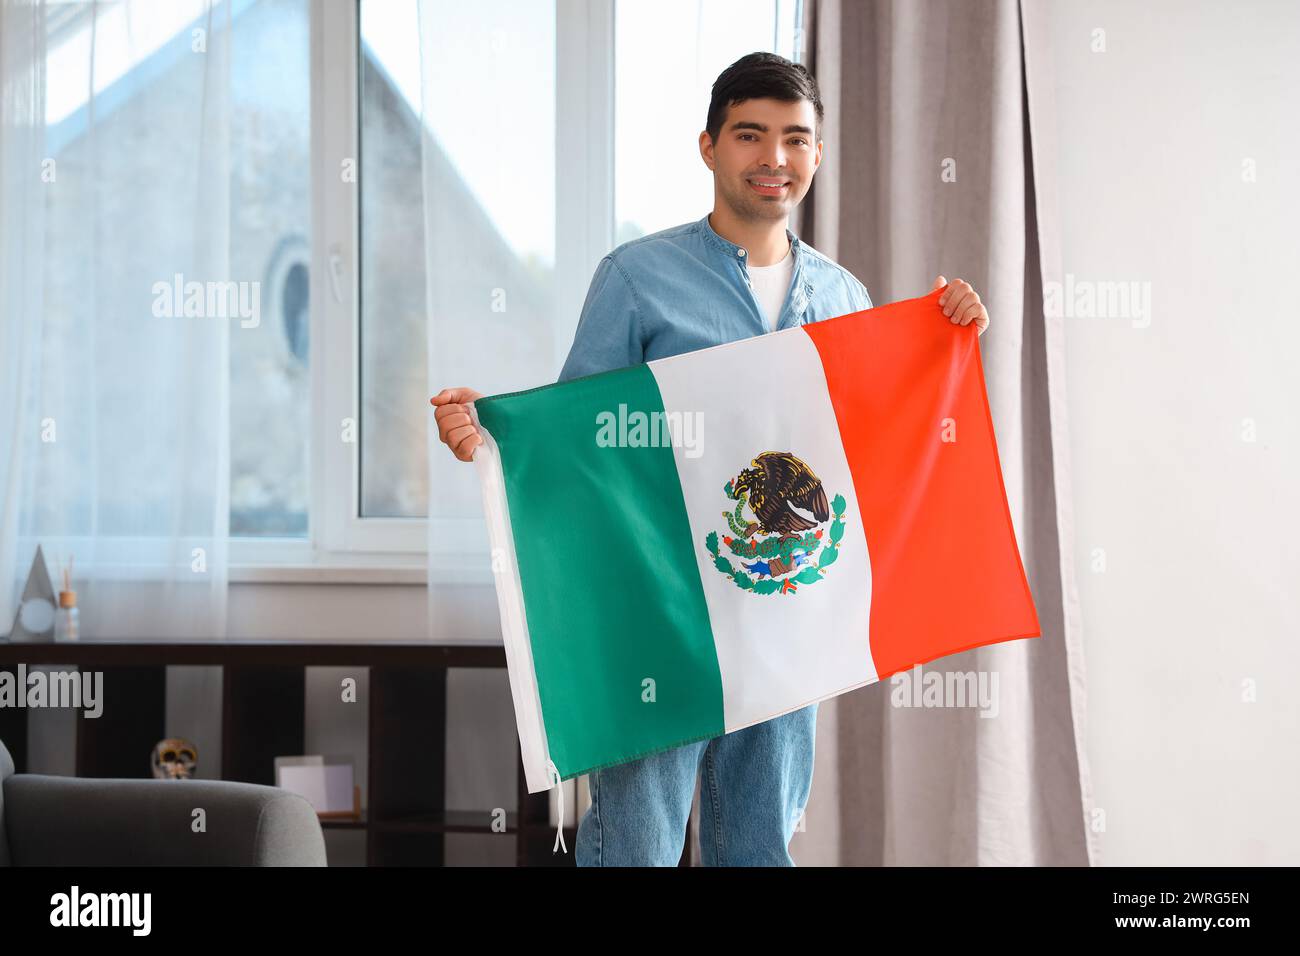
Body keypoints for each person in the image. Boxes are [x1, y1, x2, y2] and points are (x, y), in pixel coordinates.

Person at [432, 51, 990, 867]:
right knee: (638, 843)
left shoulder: (844, 299)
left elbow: (877, 448)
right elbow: (577, 436)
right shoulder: (637, 279)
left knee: (759, 844)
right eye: (750, 135)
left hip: (786, 618)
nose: (775, 159)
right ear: (709, 147)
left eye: (796, 139)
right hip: (662, 613)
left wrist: (942, 343)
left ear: (818, 156)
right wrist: (491, 435)